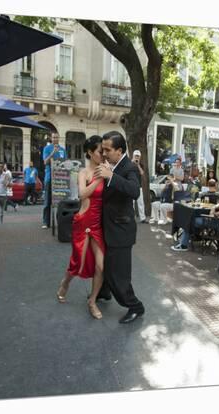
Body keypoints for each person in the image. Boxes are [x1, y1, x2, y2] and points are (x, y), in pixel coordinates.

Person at [93, 131, 145, 324]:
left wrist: (111, 176)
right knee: (106, 265)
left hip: (121, 232)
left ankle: (135, 306)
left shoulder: (129, 167)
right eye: (103, 148)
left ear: (119, 150)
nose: (104, 152)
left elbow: (134, 191)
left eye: (107, 149)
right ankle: (105, 292)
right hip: (109, 227)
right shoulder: (111, 164)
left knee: (119, 275)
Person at [56, 136, 106, 320]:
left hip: (99, 224)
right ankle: (65, 282)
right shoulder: (84, 172)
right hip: (84, 221)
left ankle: (92, 301)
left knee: (101, 266)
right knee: (78, 262)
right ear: (90, 152)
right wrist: (99, 178)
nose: (103, 154)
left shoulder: (106, 171)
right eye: (101, 151)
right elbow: (82, 194)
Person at [172, 179, 219, 251]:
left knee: (189, 220)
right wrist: (214, 207)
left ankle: (184, 245)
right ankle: (196, 237)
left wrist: (214, 214)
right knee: (195, 219)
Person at [41, 132, 67, 229]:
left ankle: (59, 221)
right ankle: (45, 222)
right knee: (47, 201)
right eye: (53, 137)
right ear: (51, 138)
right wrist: (52, 153)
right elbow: (45, 162)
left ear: (59, 138)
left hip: (60, 178)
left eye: (57, 137)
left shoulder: (63, 150)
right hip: (49, 177)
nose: (55, 139)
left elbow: (65, 163)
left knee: (60, 201)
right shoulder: (47, 148)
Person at [131, 149, 147, 223]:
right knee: (132, 203)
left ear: (140, 157)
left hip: (139, 186)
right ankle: (132, 218)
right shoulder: (129, 164)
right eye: (136, 156)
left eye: (138, 156)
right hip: (131, 186)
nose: (137, 157)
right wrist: (132, 162)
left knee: (140, 203)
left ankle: (142, 218)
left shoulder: (141, 165)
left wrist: (138, 165)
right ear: (133, 156)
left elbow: (142, 173)